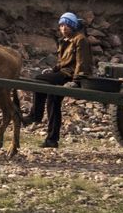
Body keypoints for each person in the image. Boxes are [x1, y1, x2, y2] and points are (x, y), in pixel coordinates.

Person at [27, 11, 94, 147]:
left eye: (66, 25)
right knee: (53, 101)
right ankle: (52, 140)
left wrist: (76, 81)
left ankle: (35, 116)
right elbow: (63, 62)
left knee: (39, 80)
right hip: (63, 72)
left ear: (73, 26)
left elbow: (82, 62)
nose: (63, 28)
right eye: (61, 26)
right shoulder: (64, 41)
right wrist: (53, 70)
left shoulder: (80, 39)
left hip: (69, 75)